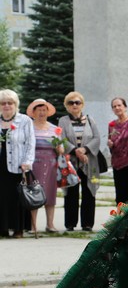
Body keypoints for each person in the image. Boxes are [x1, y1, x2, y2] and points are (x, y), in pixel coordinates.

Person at [58, 91, 102, 232]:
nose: (75, 105)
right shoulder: (63, 121)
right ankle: (70, 223)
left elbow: (97, 138)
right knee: (71, 192)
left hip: (90, 162)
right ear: (67, 106)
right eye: (71, 103)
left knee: (89, 191)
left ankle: (87, 223)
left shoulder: (90, 120)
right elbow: (61, 139)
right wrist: (75, 151)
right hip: (71, 161)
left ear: (82, 105)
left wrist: (84, 150)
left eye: (77, 102)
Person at [0, 89, 35, 238]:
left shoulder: (25, 120)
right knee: (2, 197)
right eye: (3, 103)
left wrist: (27, 162)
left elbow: (30, 143)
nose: (7, 105)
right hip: (1, 165)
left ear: (16, 104)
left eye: (10, 102)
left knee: (17, 197)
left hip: (18, 164)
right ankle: (2, 228)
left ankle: (18, 229)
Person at [27, 99, 63, 234]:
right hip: (34, 163)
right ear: (34, 112)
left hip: (51, 164)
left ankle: (50, 224)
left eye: (44, 110)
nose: (42, 113)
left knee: (50, 194)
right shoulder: (29, 126)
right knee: (33, 194)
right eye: (39, 110)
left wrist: (60, 147)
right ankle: (33, 226)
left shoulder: (55, 128)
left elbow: (62, 148)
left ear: (48, 112)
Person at [107, 97, 128, 204]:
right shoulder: (112, 125)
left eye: (119, 105)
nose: (117, 108)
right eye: (114, 106)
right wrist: (110, 145)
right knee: (120, 197)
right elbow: (112, 143)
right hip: (118, 165)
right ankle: (121, 220)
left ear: (125, 107)